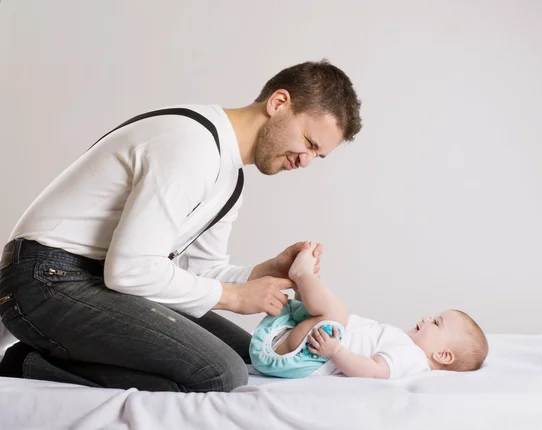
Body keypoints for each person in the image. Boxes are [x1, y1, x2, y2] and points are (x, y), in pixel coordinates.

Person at [0, 60, 363, 392]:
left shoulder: (230, 179)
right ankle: (25, 365)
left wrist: (260, 272)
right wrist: (235, 297)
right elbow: (129, 270)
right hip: (44, 279)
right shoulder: (192, 145)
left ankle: (53, 356)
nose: (305, 161)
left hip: (97, 281)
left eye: (318, 155)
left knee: (247, 356)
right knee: (220, 374)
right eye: (308, 143)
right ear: (279, 102)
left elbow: (197, 271)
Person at [250, 242, 488, 379]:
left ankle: (302, 276)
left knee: (336, 318)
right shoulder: (403, 344)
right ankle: (304, 287)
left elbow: (373, 372)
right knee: (329, 316)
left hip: (307, 355)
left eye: (436, 323)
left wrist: (336, 352)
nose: (426, 318)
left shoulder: (413, 357)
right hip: (297, 343)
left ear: (442, 355)